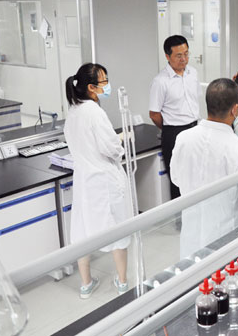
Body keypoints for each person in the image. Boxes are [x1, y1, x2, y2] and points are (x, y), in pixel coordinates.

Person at [170, 78, 238, 258]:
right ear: (235, 110)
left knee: (194, 274)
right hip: (226, 237)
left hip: (192, 233)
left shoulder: (183, 138)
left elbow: (176, 178)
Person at [64, 63, 131, 299]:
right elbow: (110, 148)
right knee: (118, 229)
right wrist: (120, 142)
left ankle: (86, 284)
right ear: (91, 87)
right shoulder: (94, 112)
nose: (108, 85)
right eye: (104, 81)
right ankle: (122, 282)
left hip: (84, 181)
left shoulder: (73, 111)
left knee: (82, 231)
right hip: (104, 180)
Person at [149, 35, 200, 200]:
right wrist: (169, 128)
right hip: (174, 133)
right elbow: (154, 114)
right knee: (178, 178)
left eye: (186, 54)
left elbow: (195, 101)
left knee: (197, 173)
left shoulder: (193, 73)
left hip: (195, 128)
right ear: (167, 56)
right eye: (178, 55)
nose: (184, 59)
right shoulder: (160, 81)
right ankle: (180, 215)